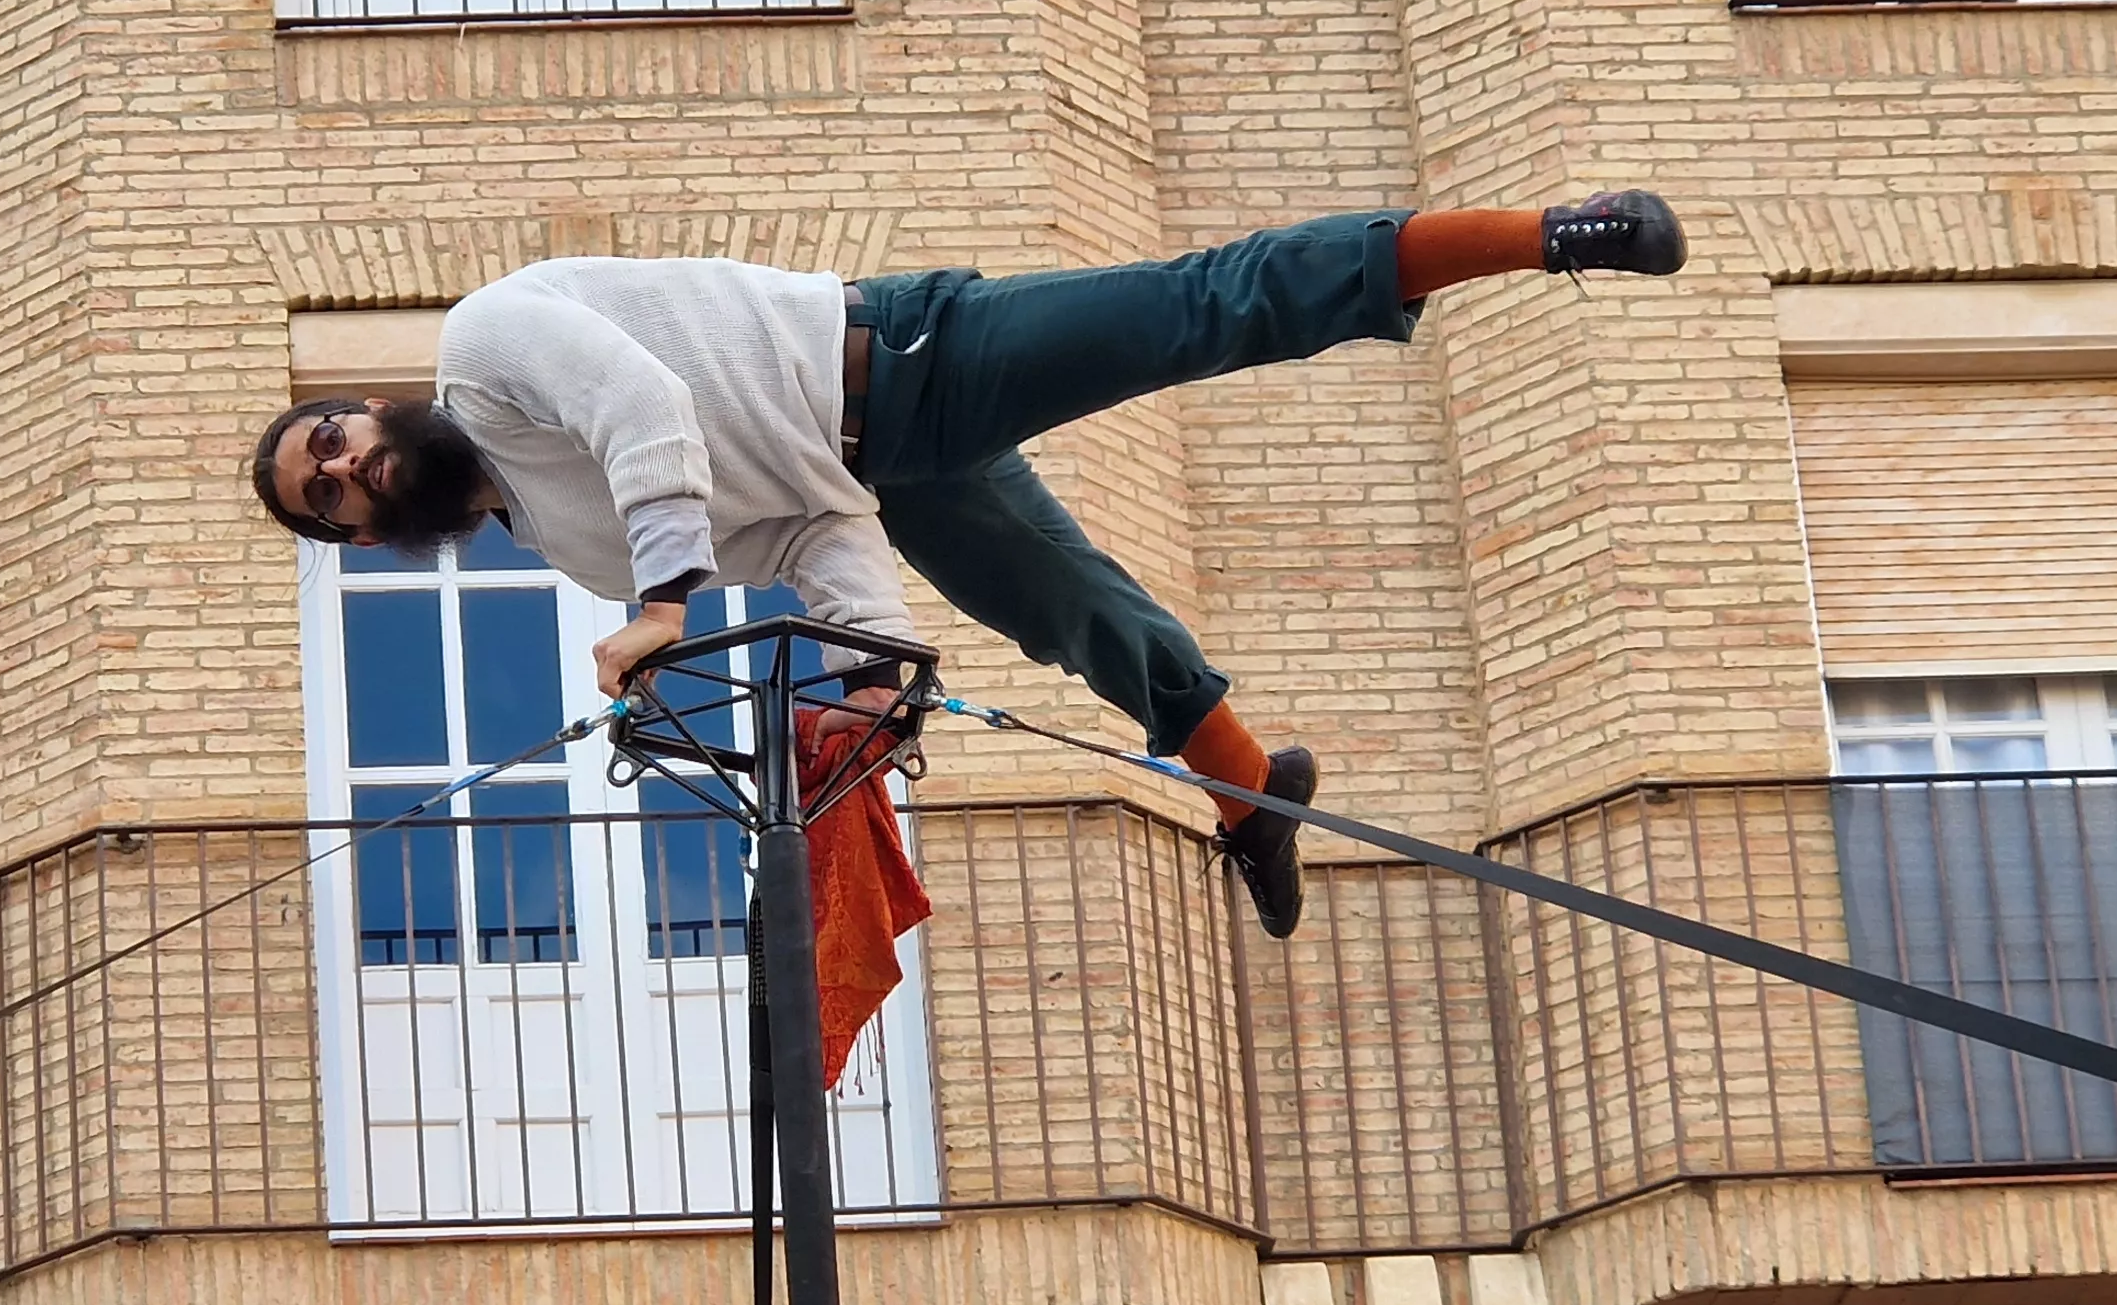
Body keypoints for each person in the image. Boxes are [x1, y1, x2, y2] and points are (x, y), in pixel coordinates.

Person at [250, 197, 1687, 938]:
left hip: (913, 352)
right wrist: (878, 685)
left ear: (366, 406)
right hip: (881, 470)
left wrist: (668, 606)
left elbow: (650, 415)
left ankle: (1550, 235)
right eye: (325, 501)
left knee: (1201, 308)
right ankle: (1251, 793)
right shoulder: (564, 544)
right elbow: (809, 536)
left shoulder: (489, 343)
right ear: (362, 541)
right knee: (1075, 617)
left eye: (328, 438)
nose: (342, 467)